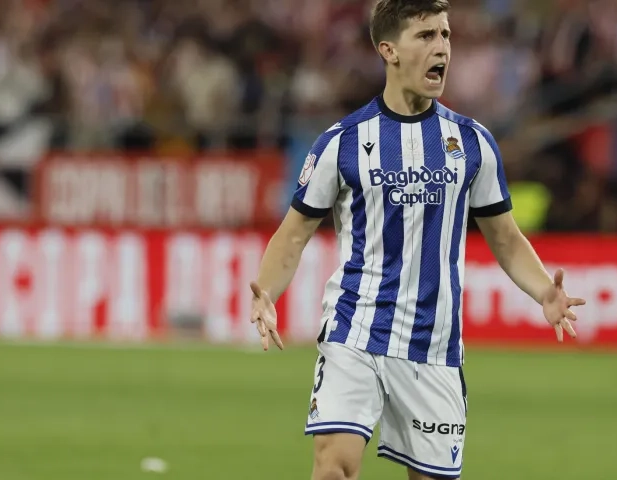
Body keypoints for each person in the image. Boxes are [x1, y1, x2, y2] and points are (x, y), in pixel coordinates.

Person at [248, 1, 586, 479]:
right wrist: (268, 293)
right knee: (333, 470)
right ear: (388, 50)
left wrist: (544, 292)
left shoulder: (471, 142)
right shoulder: (342, 142)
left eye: (445, 36)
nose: (442, 48)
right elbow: (294, 233)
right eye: (426, 36)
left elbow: (506, 238)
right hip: (355, 331)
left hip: (434, 348)